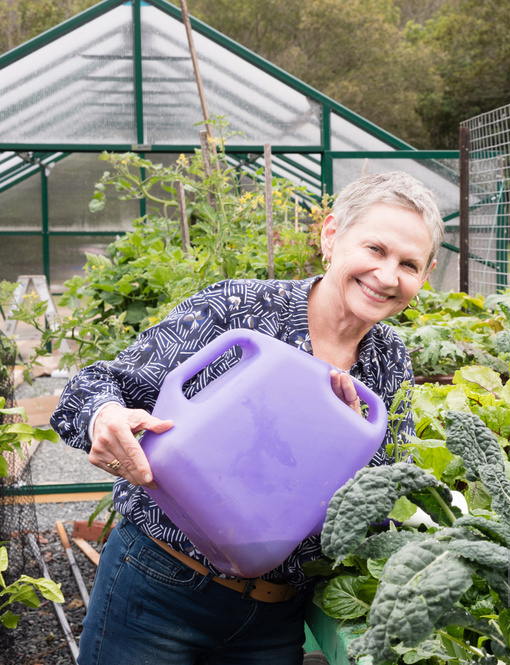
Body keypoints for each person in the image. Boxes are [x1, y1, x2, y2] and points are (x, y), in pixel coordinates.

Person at [50, 170, 445, 665]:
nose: (387, 276)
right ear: (331, 236)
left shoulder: (388, 361)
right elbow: (90, 387)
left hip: (275, 621)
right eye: (375, 249)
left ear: (424, 277)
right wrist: (104, 416)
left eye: (408, 264)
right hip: (160, 590)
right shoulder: (240, 311)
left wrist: (339, 454)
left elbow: (379, 503)